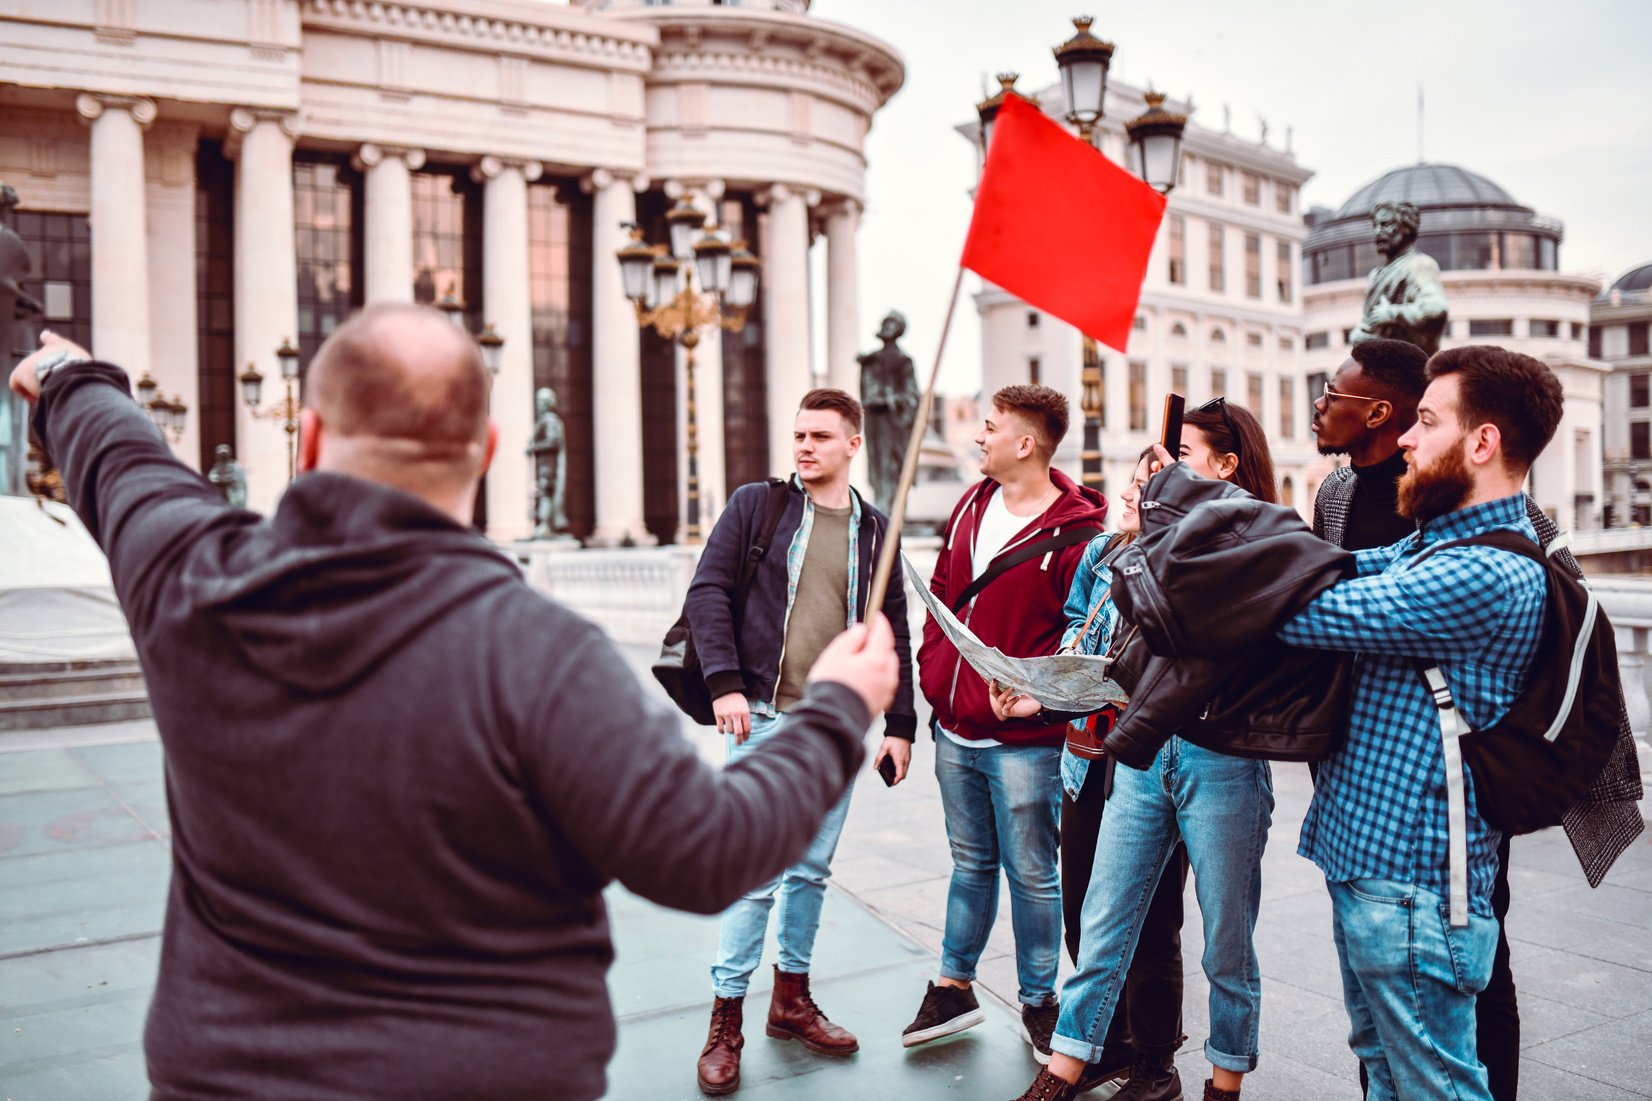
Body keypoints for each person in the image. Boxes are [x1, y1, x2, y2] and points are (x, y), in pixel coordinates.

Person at [8, 308, 899, 1101]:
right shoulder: (544, 658)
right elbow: (711, 851)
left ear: (309, 437)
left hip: (228, 1073)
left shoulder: (198, 580)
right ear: (490, 451)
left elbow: (124, 466)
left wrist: (67, 381)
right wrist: (837, 709)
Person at [1280, 346, 1565, 1100]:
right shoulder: (1437, 540)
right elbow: (1333, 567)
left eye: (1427, 421)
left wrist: (1209, 540)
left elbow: (1301, 611)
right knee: (1386, 1069)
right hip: (1370, 864)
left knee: (1436, 1083)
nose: (1407, 436)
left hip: (1413, 888)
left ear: (1482, 443)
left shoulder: (1484, 569)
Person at [1005, 400, 1280, 1101]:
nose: (1161, 469)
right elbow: (1103, 636)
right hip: (1140, 754)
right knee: (1101, 917)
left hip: (1219, 758)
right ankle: (1066, 1064)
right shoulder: (1129, 547)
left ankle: (1223, 1081)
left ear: (1225, 465)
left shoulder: (1254, 540)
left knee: (1225, 939)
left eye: (1180, 454)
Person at [684, 387, 916, 1096]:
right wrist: (724, 683)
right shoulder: (760, 505)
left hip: (838, 725)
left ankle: (791, 1000)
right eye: (799, 434)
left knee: (811, 870)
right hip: (760, 714)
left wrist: (901, 723)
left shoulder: (876, 529)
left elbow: (894, 628)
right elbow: (708, 590)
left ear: (853, 444)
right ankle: (726, 1016)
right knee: (757, 872)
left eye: (820, 435)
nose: (805, 446)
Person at [904, 385, 1107, 1062]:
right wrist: (935, 674)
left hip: (1025, 743)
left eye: (989, 428)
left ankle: (1039, 998)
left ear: (1026, 443)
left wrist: (1032, 693)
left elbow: (1083, 641)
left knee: (1032, 873)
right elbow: (940, 591)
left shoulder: (1079, 533)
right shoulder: (969, 501)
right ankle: (952, 982)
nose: (977, 437)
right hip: (954, 728)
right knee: (969, 863)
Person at [1050, 446, 1189, 1098]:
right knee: (1081, 909)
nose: (1132, 495)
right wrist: (1051, 670)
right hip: (1087, 757)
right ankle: (1107, 1044)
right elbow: (1075, 627)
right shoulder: (1099, 554)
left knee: (1152, 920)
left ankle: (1155, 1063)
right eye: (1132, 484)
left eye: (1147, 487)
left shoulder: (1179, 560)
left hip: (1150, 763)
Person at [1349, 199, 1448, 356]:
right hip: (1380, 366)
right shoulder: (1376, 274)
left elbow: (1435, 309)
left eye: (1386, 224)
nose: (1378, 231)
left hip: (1410, 368)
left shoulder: (1419, 265)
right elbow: (1368, 323)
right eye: (1375, 226)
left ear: (1406, 228)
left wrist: (1392, 313)